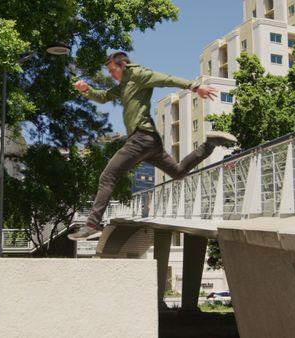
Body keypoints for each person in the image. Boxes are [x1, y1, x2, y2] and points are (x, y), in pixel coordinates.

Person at [68, 51, 237, 241]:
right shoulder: (123, 85)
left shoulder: (139, 74)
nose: (111, 75)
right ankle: (209, 144)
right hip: (151, 142)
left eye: (112, 70)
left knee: (108, 176)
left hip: (140, 138)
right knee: (178, 172)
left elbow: (166, 79)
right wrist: (86, 90)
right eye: (109, 72)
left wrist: (195, 87)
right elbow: (103, 97)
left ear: (123, 64)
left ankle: (92, 224)